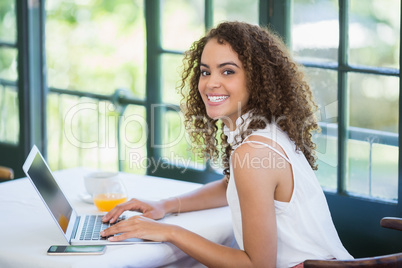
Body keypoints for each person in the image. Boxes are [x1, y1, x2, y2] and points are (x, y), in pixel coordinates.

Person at [101, 21, 353, 267]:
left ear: (257, 79)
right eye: (205, 71)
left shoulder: (254, 153)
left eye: (228, 71)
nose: (211, 83)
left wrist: (170, 232)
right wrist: (165, 206)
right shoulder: (266, 130)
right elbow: (231, 185)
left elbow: (257, 265)